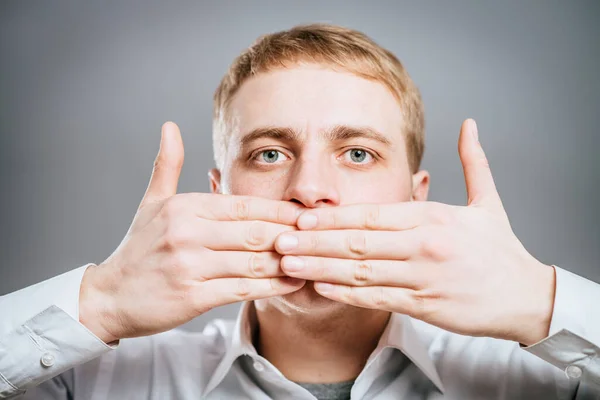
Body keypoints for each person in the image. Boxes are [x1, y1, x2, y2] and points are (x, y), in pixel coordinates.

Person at [0, 23, 598, 400]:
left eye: (357, 153)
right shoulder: (92, 382)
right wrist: (98, 301)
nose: (309, 189)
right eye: (268, 153)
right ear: (219, 192)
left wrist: (544, 303)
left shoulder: (550, 380)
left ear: (417, 195)